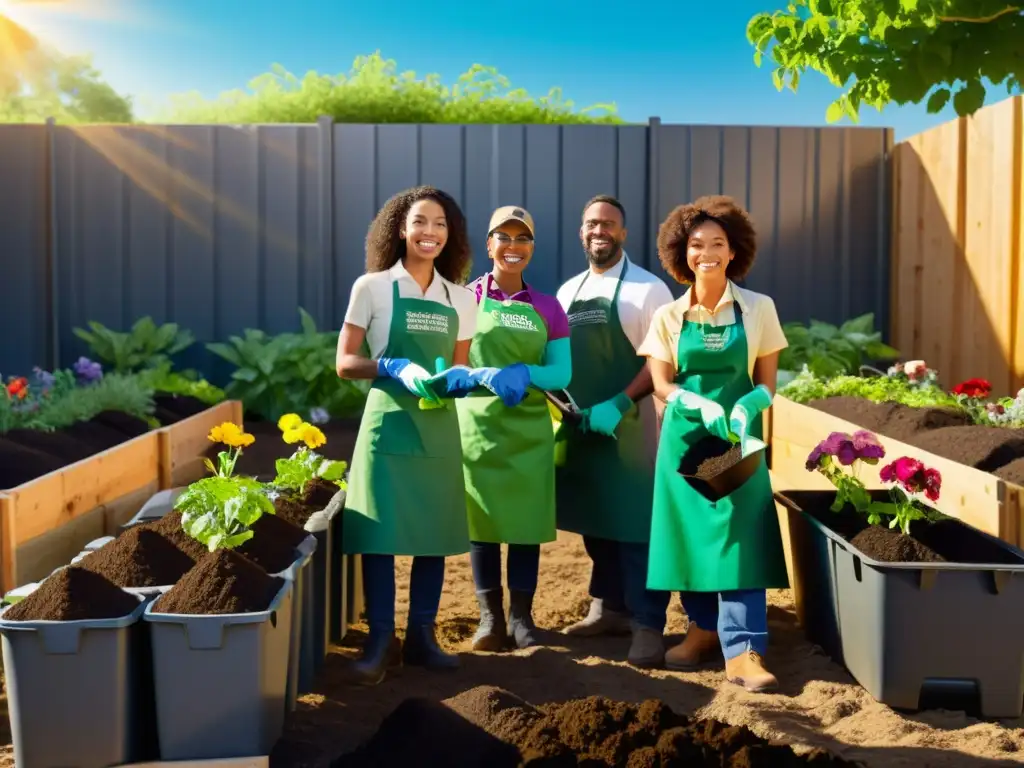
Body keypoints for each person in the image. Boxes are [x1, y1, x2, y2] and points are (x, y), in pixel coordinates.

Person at [637, 194, 789, 692]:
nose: (707, 252)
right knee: (691, 539)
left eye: (717, 243)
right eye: (696, 243)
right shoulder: (669, 316)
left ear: (733, 251)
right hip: (685, 440)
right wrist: (690, 401)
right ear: (682, 252)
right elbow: (659, 382)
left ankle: (745, 648)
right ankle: (703, 629)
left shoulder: (758, 308)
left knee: (739, 539)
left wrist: (750, 405)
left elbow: (767, 382)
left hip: (735, 440)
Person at [336, 185, 479, 686]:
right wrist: (390, 365)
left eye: (440, 224)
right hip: (388, 422)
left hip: (436, 426)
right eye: (420, 221)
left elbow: (459, 368)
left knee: (431, 535)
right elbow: (344, 363)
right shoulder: (372, 287)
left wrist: (460, 382)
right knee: (379, 535)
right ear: (401, 227)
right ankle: (380, 640)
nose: (430, 232)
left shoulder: (460, 298)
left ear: (450, 235)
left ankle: (422, 637)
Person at [555, 194, 675, 668]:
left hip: (633, 428)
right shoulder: (567, 292)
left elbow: (663, 360)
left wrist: (620, 401)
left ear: (623, 233)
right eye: (591, 224)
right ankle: (608, 609)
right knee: (597, 522)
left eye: (608, 224)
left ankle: (648, 625)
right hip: (585, 426)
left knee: (635, 528)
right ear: (581, 232)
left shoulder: (648, 291)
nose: (599, 231)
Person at [459, 206, 572, 652]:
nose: (512, 246)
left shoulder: (548, 307)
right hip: (479, 426)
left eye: (521, 238)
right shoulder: (465, 300)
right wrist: (485, 376)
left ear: (531, 249)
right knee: (482, 524)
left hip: (529, 430)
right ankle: (490, 619)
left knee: (526, 524)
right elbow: (456, 365)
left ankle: (522, 618)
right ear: (489, 246)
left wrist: (525, 372)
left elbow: (561, 372)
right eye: (502, 237)